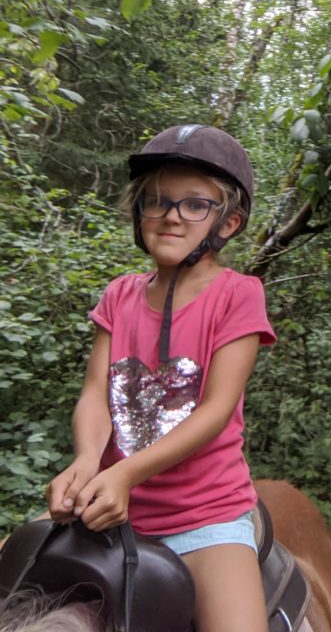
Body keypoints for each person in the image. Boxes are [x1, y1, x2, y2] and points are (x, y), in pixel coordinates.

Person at [45, 124, 276, 632]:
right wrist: (86, 462)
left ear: (228, 222)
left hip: (205, 516)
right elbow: (96, 395)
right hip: (102, 502)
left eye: (195, 205)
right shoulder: (119, 294)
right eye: (157, 201)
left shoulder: (238, 295)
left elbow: (215, 411)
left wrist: (126, 474)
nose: (171, 215)